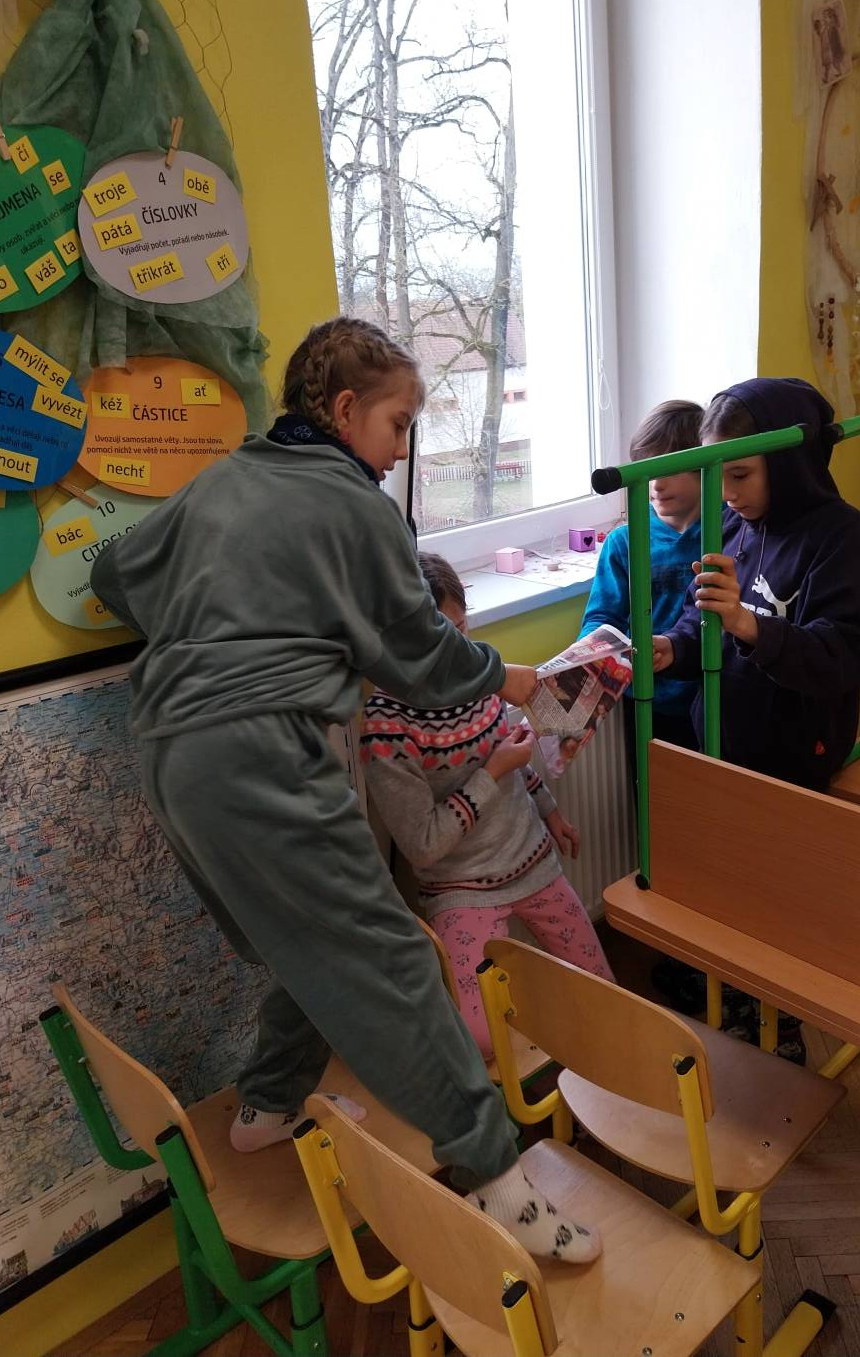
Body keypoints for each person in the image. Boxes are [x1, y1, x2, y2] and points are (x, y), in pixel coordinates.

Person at [89, 318, 599, 1264]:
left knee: (303, 939)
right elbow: (421, 657)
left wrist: (220, 615)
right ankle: (499, 1184)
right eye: (398, 424)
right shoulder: (354, 503)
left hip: (169, 746)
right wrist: (509, 678)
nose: (401, 449)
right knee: (389, 956)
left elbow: (116, 575)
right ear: (344, 408)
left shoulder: (227, 480)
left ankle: (267, 1106)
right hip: (260, 746)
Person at [653, 378, 860, 1061]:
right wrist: (673, 648)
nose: (727, 491)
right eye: (717, 474)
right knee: (725, 890)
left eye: (742, 474)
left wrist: (749, 625)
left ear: (789, 462)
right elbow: (701, 618)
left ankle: (780, 1025)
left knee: (778, 904)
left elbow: (840, 655)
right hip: (723, 740)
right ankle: (734, 998)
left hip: (792, 752)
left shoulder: (841, 535)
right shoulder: (734, 526)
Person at [361, 553, 615, 1058]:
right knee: (480, 1042)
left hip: (532, 862)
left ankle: (594, 1073)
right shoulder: (385, 726)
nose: (454, 651)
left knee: (604, 995)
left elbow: (513, 757)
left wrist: (551, 812)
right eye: (435, 639)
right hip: (460, 888)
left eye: (459, 629)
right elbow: (424, 846)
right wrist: (492, 771)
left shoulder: (482, 672)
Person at [579, 400, 704, 780]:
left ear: (704, 466)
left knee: (711, 800)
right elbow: (602, 617)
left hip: (710, 695)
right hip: (647, 700)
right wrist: (585, 656)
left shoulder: (730, 531)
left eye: (668, 470)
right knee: (653, 799)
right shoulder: (624, 541)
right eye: (646, 470)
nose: (655, 484)